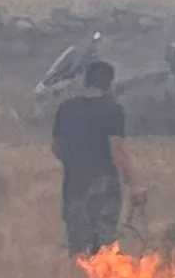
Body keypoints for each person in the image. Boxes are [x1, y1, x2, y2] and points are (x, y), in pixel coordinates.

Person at [51, 60, 143, 257]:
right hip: (104, 185)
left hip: (74, 185)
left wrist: (73, 163)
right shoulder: (113, 110)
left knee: (77, 244)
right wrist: (134, 185)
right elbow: (116, 151)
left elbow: (56, 147)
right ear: (109, 83)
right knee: (104, 246)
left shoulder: (66, 108)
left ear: (86, 81)